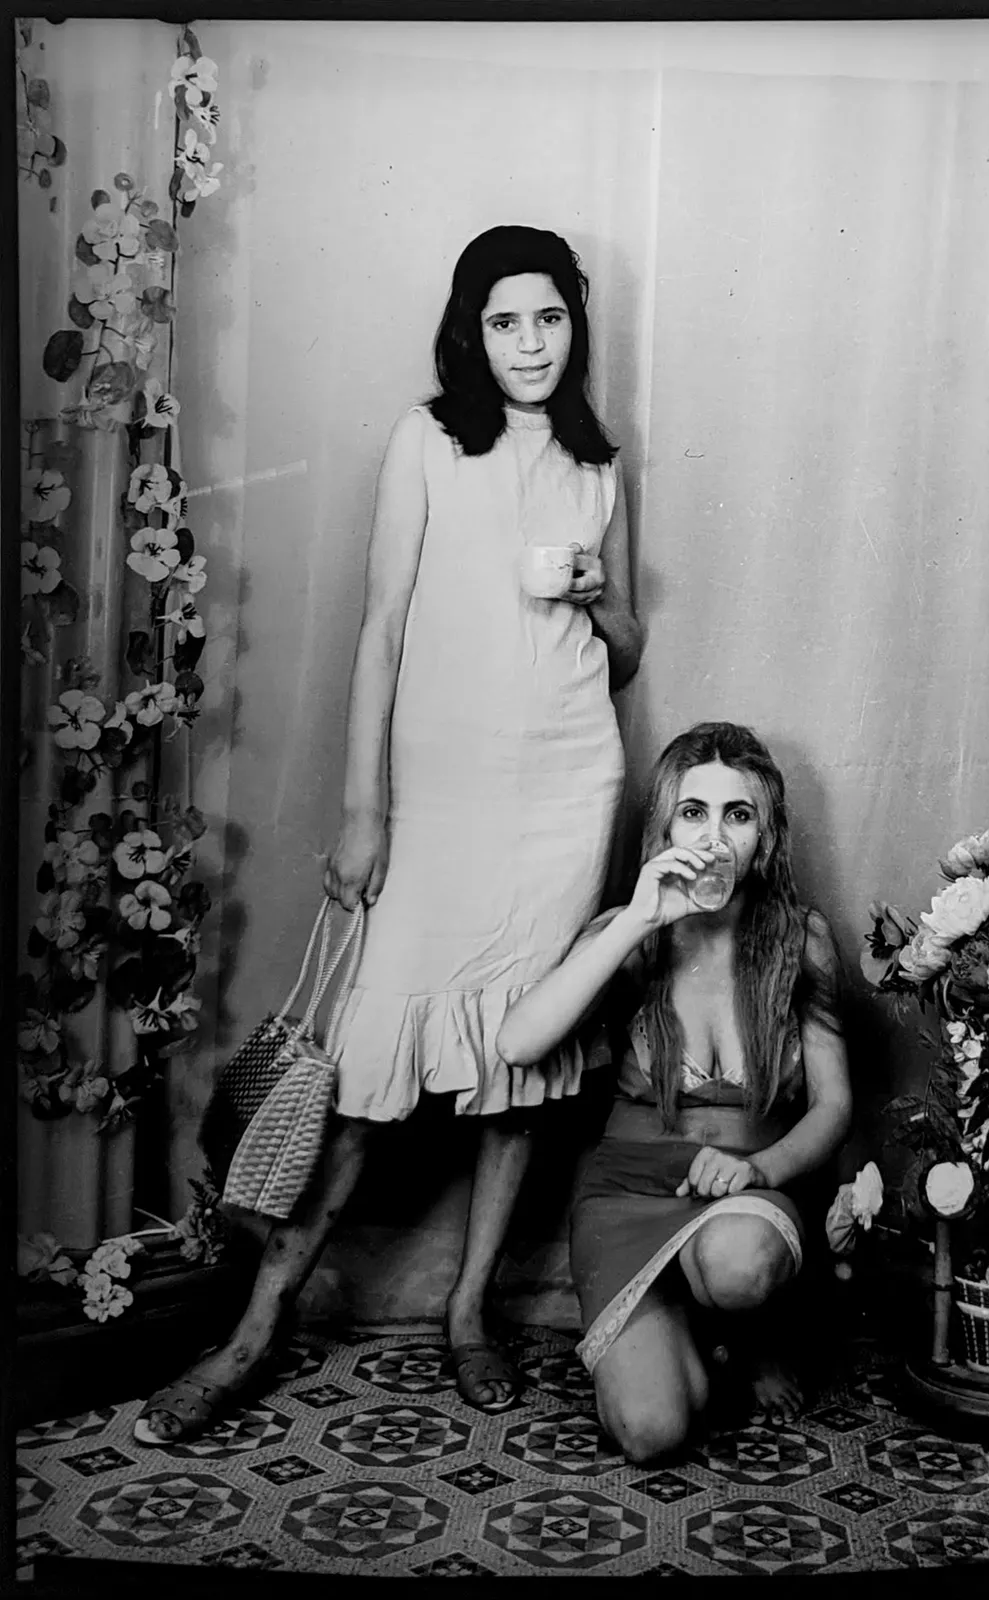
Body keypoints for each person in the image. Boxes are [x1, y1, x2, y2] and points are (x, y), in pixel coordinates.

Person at [135, 225, 642, 1442]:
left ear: (576, 323)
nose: (529, 343)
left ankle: (469, 1312)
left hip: (568, 782)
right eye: (504, 320)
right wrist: (364, 811)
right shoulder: (427, 440)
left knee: (520, 1064)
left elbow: (626, 652)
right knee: (367, 1076)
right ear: (471, 328)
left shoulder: (598, 462)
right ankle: (255, 1329)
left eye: (551, 318)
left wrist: (592, 597)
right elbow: (380, 629)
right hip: (440, 790)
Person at [495, 722, 851, 1464]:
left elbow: (834, 1106)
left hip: (747, 1198)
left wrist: (759, 1171)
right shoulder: (634, 931)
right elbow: (518, 1044)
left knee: (739, 1264)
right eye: (694, 812)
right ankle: (690, 1337)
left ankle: (746, 1335)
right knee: (652, 1434)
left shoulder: (801, 938)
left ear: (768, 833)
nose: (714, 836)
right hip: (629, 1196)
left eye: (738, 814)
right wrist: (635, 919)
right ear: (664, 824)